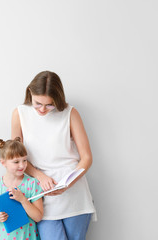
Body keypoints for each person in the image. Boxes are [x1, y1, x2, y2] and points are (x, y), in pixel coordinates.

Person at [11, 71, 96, 240]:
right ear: (30, 93)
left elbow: (86, 157)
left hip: (74, 193)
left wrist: (68, 183)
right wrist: (39, 176)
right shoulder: (19, 114)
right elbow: (15, 158)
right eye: (38, 103)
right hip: (40, 195)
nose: (42, 109)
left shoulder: (70, 113)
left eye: (49, 105)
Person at [0, 137, 44, 240]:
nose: (22, 165)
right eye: (16, 162)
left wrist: (23, 200)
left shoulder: (32, 184)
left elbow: (38, 217)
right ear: (3, 163)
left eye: (24, 160)